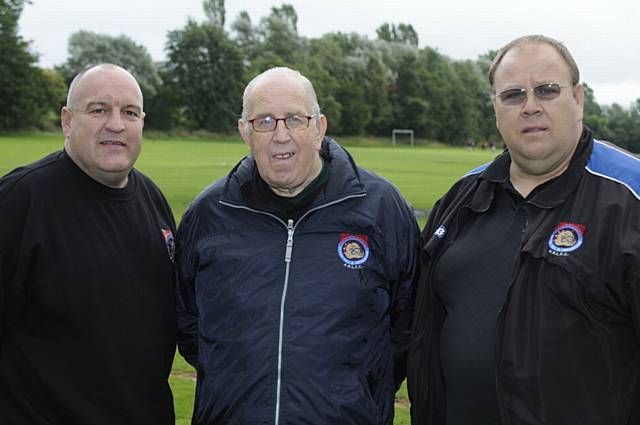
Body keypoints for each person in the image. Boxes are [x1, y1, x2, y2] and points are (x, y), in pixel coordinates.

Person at [407, 34, 640, 425]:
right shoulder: (460, 199)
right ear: (495, 108)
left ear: (578, 98)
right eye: (513, 95)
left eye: (547, 91)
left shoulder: (630, 195)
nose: (530, 107)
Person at [176, 67, 419, 425]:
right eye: (265, 121)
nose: (280, 135)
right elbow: (189, 325)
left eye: (294, 119)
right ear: (245, 132)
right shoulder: (210, 213)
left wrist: (356, 393)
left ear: (319, 128)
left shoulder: (380, 208)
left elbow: (406, 327)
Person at [0, 64, 177, 424]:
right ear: (67, 121)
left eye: (129, 112)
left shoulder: (153, 200)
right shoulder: (21, 201)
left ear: (142, 122)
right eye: (98, 110)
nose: (116, 124)